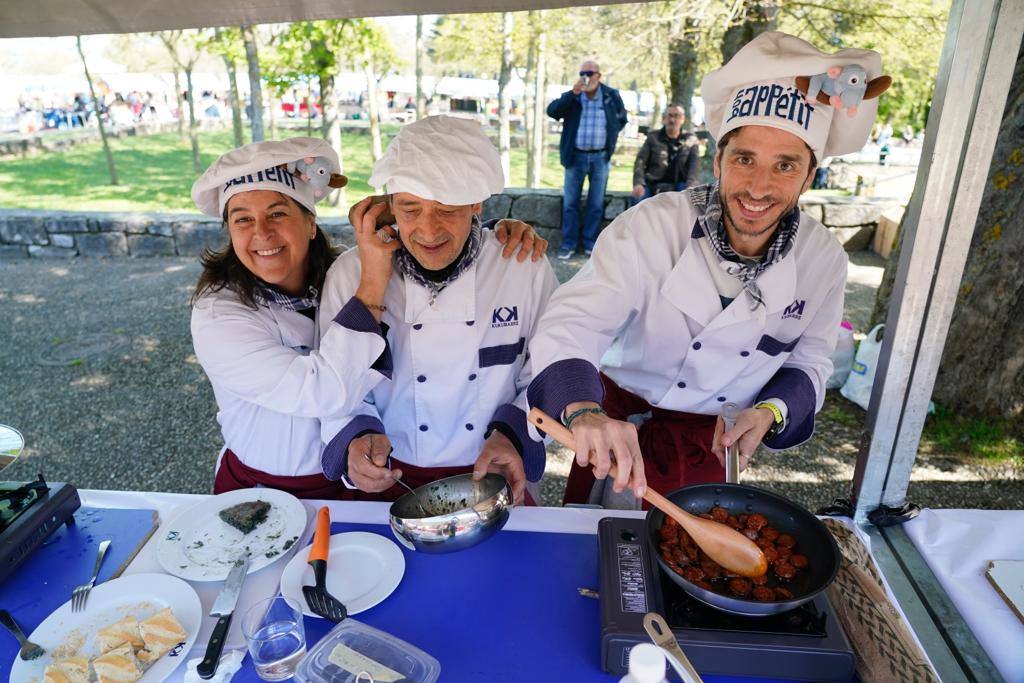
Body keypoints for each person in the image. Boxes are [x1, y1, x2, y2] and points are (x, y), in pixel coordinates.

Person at [526, 32, 887, 508]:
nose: (759, 187)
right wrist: (583, 410)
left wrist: (771, 411)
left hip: (714, 445)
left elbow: (811, 359)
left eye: (785, 165)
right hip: (620, 436)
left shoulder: (822, 260)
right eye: (744, 159)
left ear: (809, 175)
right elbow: (574, 321)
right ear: (717, 161)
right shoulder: (652, 226)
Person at [189, 137, 546, 498]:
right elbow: (325, 391)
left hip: (349, 484)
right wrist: (374, 279)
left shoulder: (334, 275)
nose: (262, 233)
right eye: (242, 220)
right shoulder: (220, 315)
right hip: (265, 489)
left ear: (311, 224)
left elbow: (439, 233)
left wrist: (481, 234)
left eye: (278, 213)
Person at [319, 116, 558, 505]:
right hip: (391, 480)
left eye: (447, 209)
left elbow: (549, 369)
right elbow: (332, 381)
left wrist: (514, 434)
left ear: (477, 202)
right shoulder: (352, 272)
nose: (428, 232)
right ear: (389, 203)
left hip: (494, 470)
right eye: (411, 209)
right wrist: (356, 438)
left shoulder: (521, 265)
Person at [547, 59, 628, 260]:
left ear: (599, 76)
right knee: (570, 203)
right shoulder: (574, 96)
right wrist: (572, 94)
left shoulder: (610, 95)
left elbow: (622, 119)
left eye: (590, 73)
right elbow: (552, 111)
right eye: (583, 72)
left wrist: (610, 137)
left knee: (596, 204)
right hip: (575, 157)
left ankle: (591, 243)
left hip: (600, 157)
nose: (586, 77)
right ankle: (568, 245)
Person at [631, 104, 700, 203]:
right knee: (638, 198)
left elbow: (694, 167)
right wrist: (639, 183)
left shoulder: (691, 140)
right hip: (654, 183)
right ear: (664, 118)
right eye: (670, 116)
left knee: (690, 201)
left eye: (676, 116)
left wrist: (691, 186)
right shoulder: (652, 137)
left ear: (683, 119)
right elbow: (640, 162)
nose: (672, 120)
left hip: (680, 184)